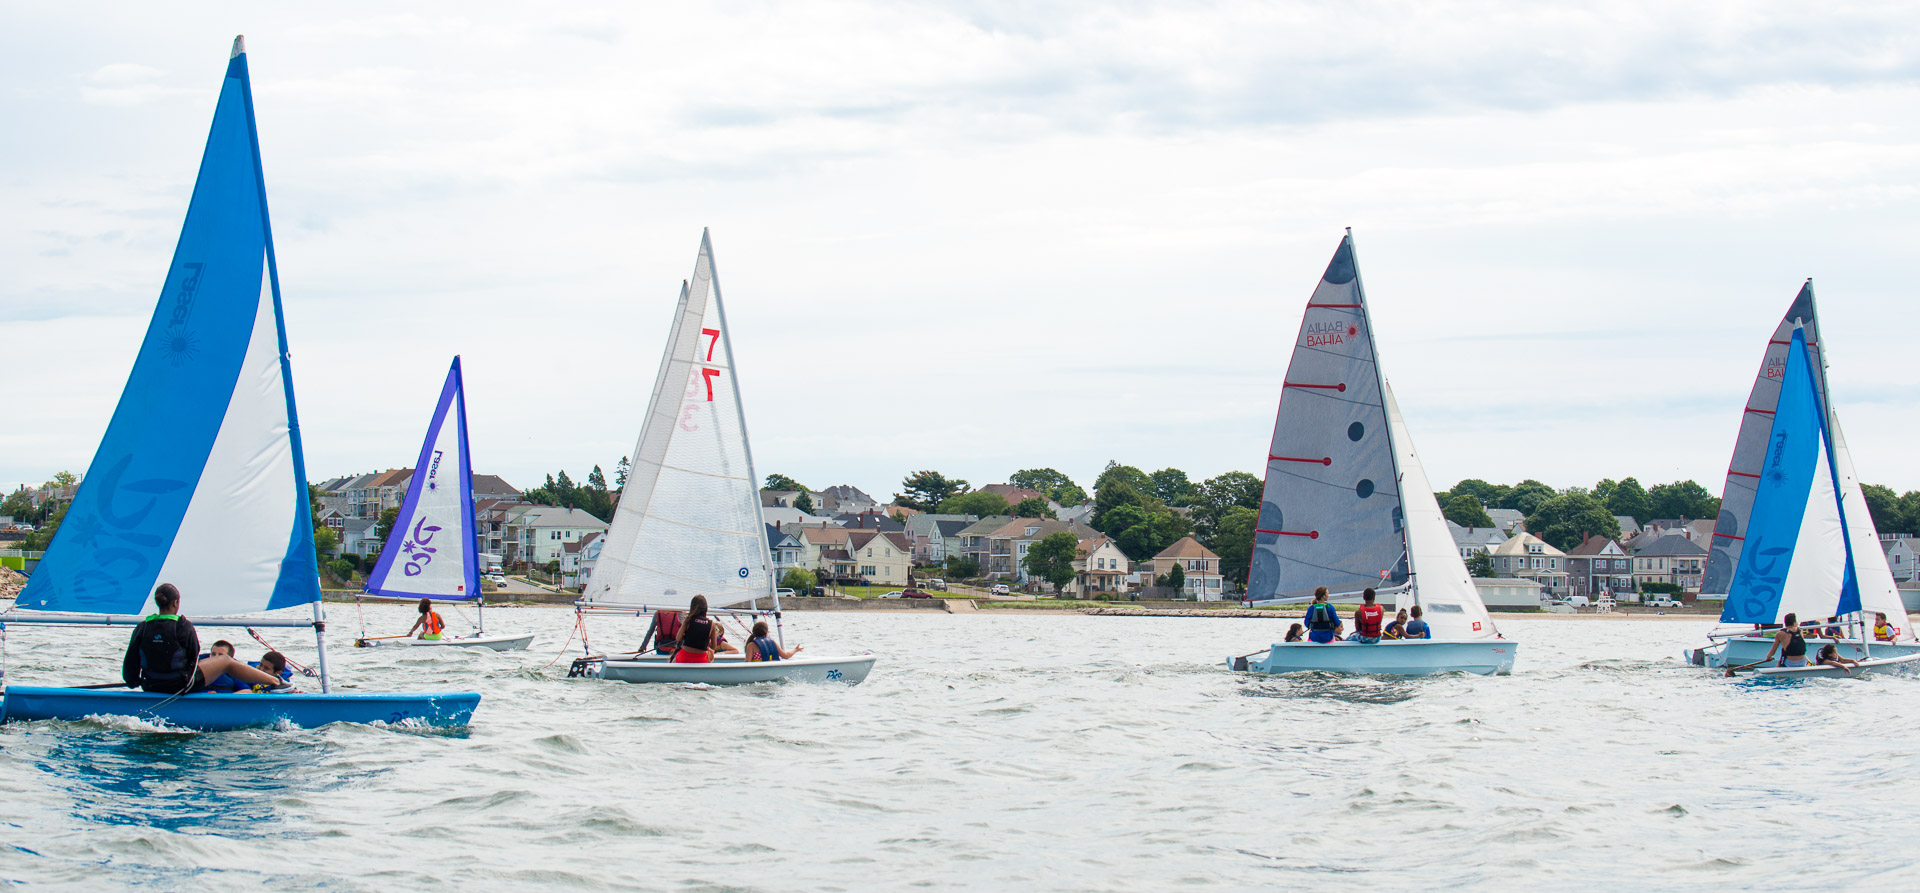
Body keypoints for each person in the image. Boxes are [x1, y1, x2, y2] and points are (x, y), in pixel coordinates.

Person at [121, 583, 284, 694]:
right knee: (225, 661)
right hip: (180, 686)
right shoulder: (183, 626)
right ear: (176, 603)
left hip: (150, 686)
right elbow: (193, 659)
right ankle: (277, 682)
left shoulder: (142, 627)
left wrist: (135, 682)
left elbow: (130, 664)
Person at [674, 595, 719, 663]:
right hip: (701, 659)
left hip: (684, 657)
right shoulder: (711, 624)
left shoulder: (688, 620)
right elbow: (713, 646)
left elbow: (678, 638)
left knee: (673, 661)